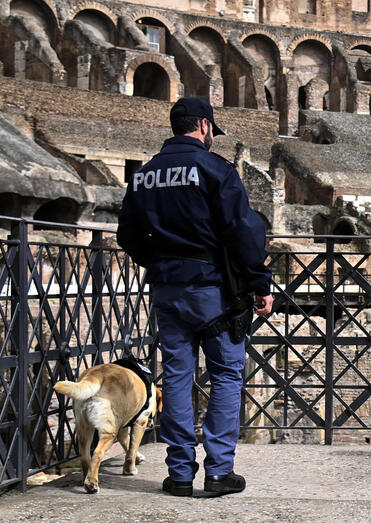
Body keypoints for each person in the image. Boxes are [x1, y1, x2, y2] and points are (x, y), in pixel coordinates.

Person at [118, 97, 273, 495]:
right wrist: (259, 284)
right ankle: (219, 471)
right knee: (225, 373)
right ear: (204, 127)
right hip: (212, 289)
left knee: (176, 376)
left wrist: (160, 263)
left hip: (167, 288)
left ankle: (180, 474)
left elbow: (127, 236)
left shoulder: (144, 174)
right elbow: (243, 231)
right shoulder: (214, 169)